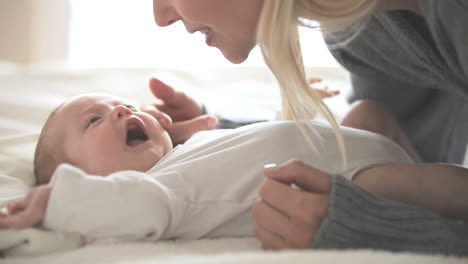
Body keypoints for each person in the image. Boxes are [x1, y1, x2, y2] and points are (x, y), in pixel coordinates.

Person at [148, 0, 468, 254]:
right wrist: (217, 133)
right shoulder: (360, 28)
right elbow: (389, 156)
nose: (159, 17)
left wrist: (383, 226)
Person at [2, 90, 450, 249]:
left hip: (340, 142)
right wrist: (55, 201)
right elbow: (142, 212)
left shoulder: (184, 150)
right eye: (94, 121)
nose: (119, 109)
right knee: (432, 183)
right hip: (347, 181)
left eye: (121, 103)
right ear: (91, 180)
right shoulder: (154, 192)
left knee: (371, 109)